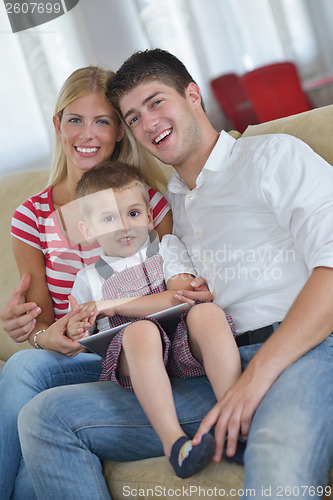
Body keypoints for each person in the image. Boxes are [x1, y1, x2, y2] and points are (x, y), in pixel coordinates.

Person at [17, 48, 333, 499]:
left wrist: (256, 378)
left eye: (156, 102)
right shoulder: (168, 211)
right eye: (132, 117)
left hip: (305, 351)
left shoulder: (271, 155)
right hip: (211, 368)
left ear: (192, 95)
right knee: (44, 417)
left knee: (278, 460)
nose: (147, 123)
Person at [0, 65, 173, 499]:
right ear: (58, 125)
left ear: (119, 131)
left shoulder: (147, 201)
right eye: (75, 119)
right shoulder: (31, 216)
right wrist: (39, 334)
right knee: (23, 364)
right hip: (80, 358)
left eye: (102, 121)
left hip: (141, 351)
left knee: (28, 471)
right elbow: (40, 325)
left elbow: (175, 282)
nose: (87, 134)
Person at [66, 160, 241, 478]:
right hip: (133, 356)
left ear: (149, 216)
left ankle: (236, 421)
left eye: (133, 213)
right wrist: (77, 325)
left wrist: (114, 304)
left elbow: (179, 296)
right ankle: (175, 444)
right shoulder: (87, 279)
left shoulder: (168, 248)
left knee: (207, 313)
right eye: (108, 218)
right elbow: (83, 336)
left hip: (181, 344)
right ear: (87, 231)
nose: (124, 226)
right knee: (141, 332)